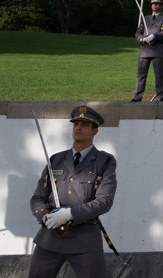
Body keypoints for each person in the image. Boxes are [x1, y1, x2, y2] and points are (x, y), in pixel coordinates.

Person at [29, 106, 117, 278]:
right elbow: (37, 198)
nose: (78, 127)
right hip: (50, 239)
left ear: (95, 131)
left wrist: (69, 214)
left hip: (84, 240)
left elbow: (104, 201)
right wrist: (45, 217)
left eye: (84, 124)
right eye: (76, 123)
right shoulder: (56, 159)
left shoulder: (104, 162)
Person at [131, 0, 163, 102]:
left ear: (161, 5)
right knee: (141, 76)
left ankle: (161, 96)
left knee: (160, 76)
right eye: (153, 4)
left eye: (157, 3)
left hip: (157, 50)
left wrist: (154, 36)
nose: (154, 5)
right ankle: (137, 97)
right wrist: (141, 39)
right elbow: (138, 32)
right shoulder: (145, 18)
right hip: (144, 50)